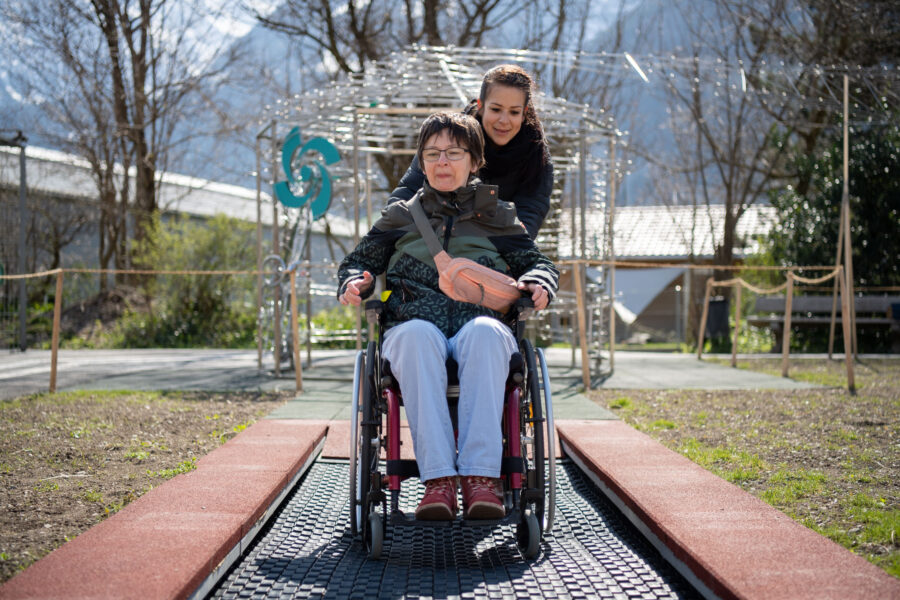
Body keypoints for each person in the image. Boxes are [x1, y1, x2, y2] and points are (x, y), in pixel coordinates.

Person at [338, 112, 558, 521]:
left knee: (486, 334)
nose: (442, 162)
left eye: (454, 153)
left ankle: (480, 477)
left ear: (474, 161)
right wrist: (355, 281)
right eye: (432, 153)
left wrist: (538, 281)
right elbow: (358, 263)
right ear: (421, 162)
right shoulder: (400, 216)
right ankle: (438, 481)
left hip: (480, 325)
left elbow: (536, 262)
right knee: (415, 337)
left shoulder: (498, 215)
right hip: (415, 322)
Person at [390, 64, 553, 240]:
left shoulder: (536, 156)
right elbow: (407, 191)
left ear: (524, 113)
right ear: (481, 105)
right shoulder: (447, 136)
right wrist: (397, 236)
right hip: (434, 242)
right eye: (495, 109)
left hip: (497, 251)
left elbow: (530, 210)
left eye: (514, 112)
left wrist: (511, 250)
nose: (504, 120)